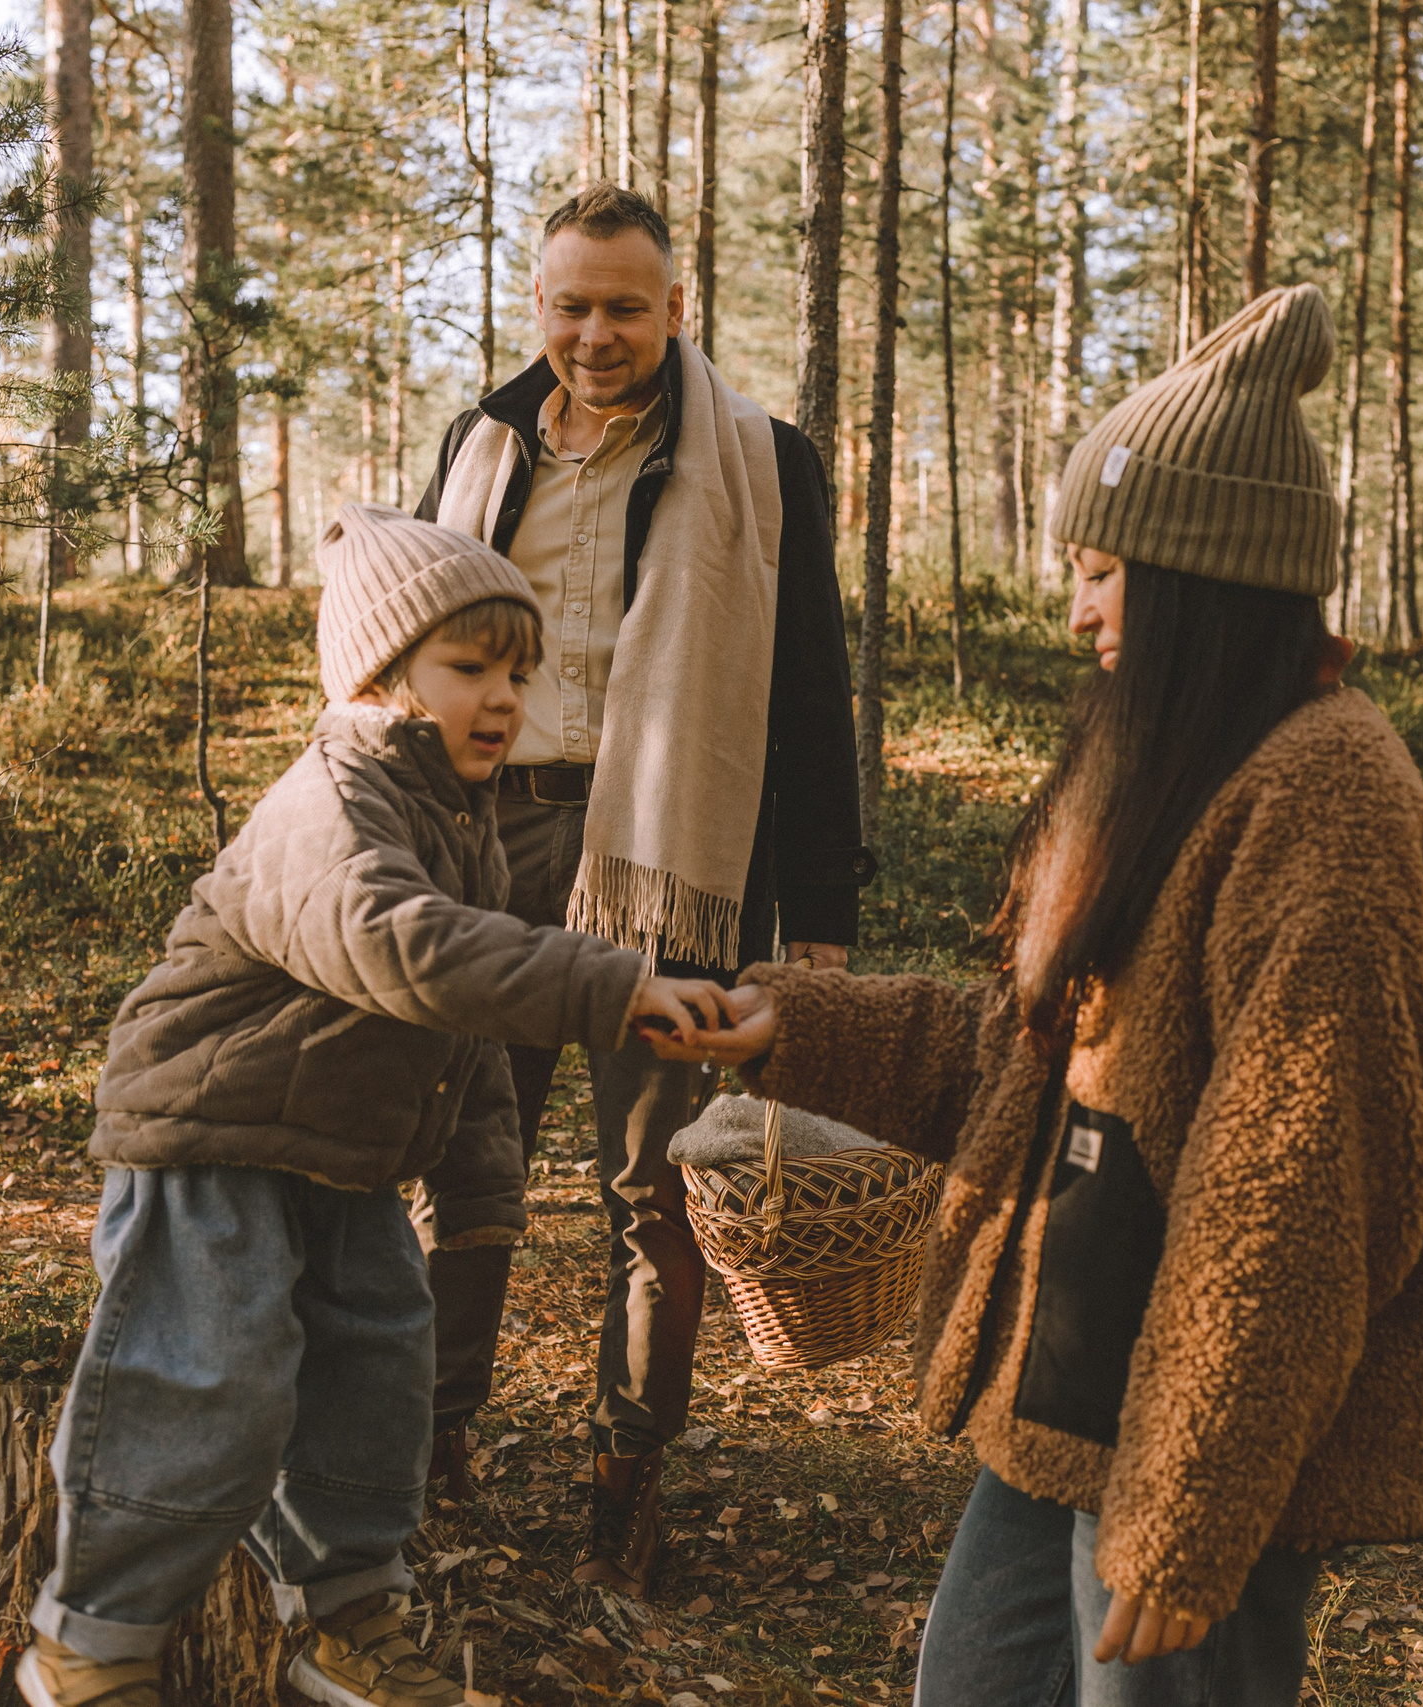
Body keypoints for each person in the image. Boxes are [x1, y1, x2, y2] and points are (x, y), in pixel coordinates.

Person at [659, 285, 1423, 1705]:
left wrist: (1188, 1506)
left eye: (1107, 572)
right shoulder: (1177, 763)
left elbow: (1295, 1197)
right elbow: (1038, 1058)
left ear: (1201, 581)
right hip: (1070, 1386)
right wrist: (796, 1022)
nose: (1078, 608)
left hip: (1195, 1436)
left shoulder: (1325, 795)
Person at [17, 505, 731, 1707]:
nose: (504, 699)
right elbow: (410, 952)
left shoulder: (464, 833)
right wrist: (612, 984)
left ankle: (345, 1617)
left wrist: (484, 1199)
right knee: (206, 1380)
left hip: (345, 1160)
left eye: (518, 672)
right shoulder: (330, 806)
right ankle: (93, 1636)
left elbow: (468, 1037)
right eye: (467, 668)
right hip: (216, 1142)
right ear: (373, 680)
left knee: (378, 1380)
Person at [411, 182, 867, 1596]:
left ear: (678, 308)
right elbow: (412, 653)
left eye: (623, 305)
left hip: (673, 854)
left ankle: (626, 1482)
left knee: (654, 1180)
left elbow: (808, 699)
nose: (595, 333)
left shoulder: (761, 459)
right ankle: (432, 1441)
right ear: (537, 306)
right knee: (460, 1154)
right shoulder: (479, 445)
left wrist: (822, 924)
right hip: (490, 844)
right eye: (571, 305)